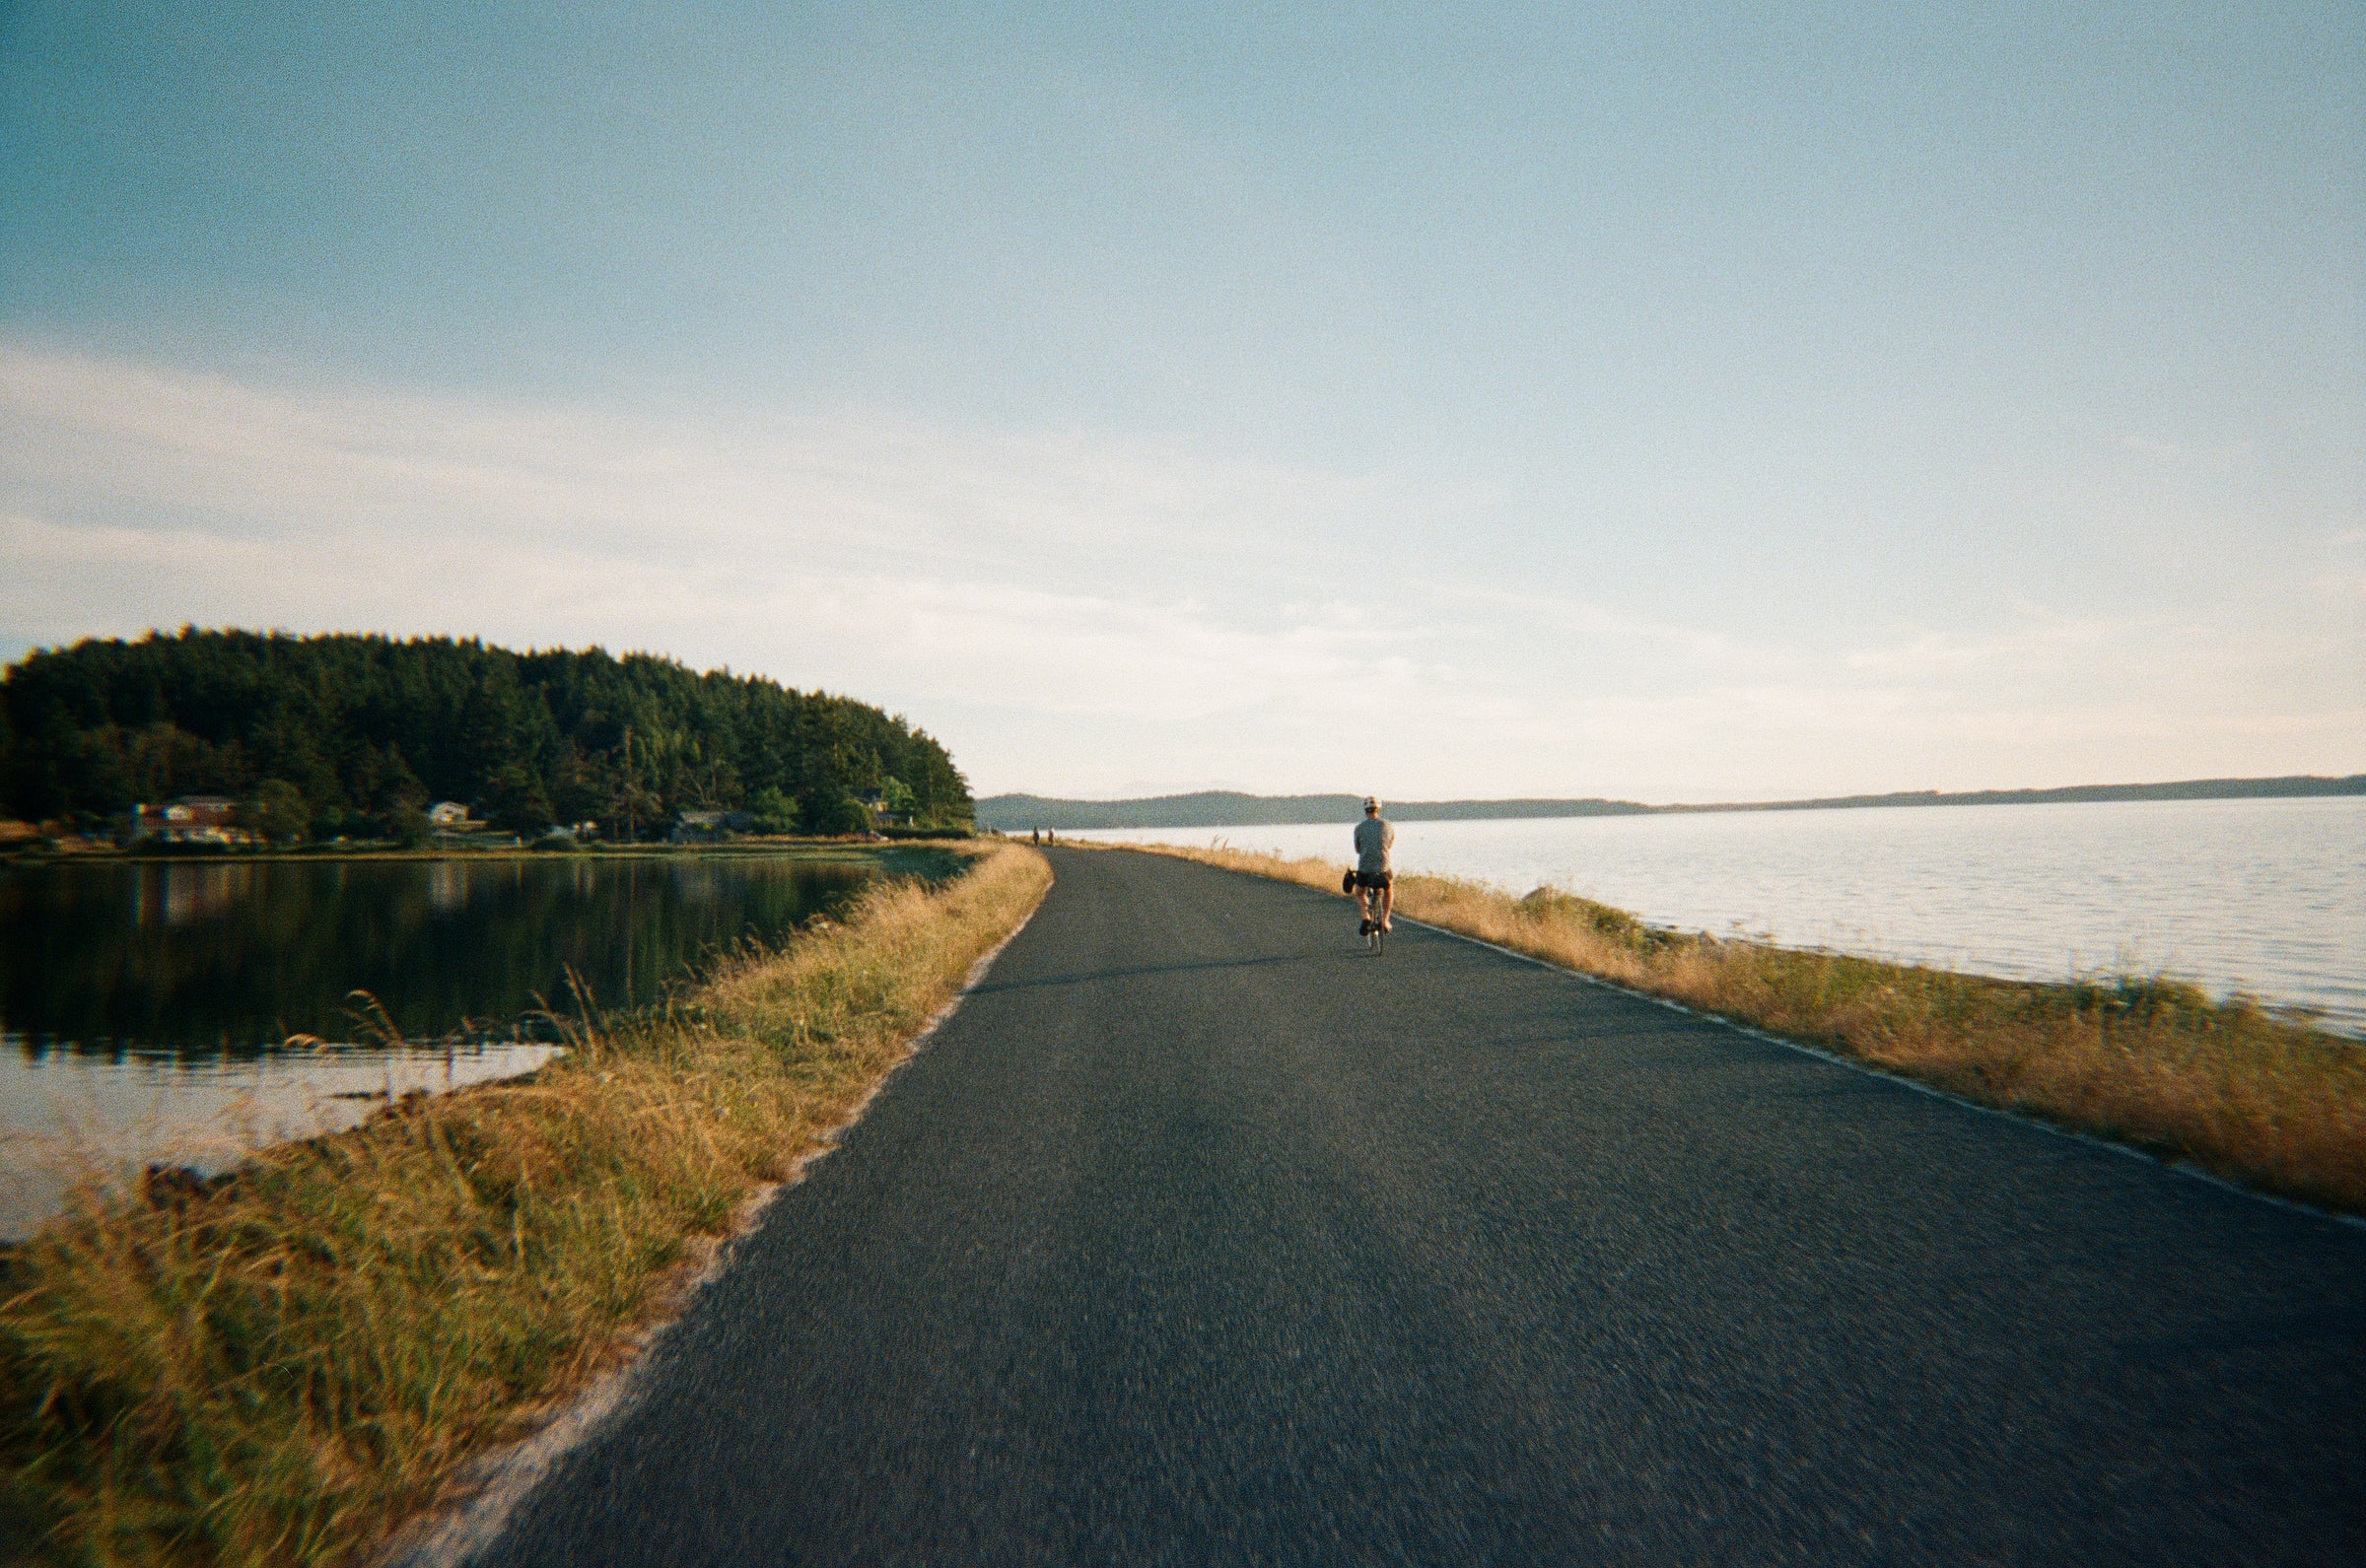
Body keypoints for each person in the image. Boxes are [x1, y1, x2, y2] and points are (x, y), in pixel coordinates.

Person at [1353, 795, 1395, 933]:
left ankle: (1366, 917)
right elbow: (1389, 845)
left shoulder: (1359, 828)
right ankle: (1385, 920)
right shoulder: (1388, 825)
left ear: (1366, 810)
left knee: (1359, 892)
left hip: (1365, 868)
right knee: (1388, 890)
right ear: (1378, 809)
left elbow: (1357, 849)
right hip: (1383, 868)